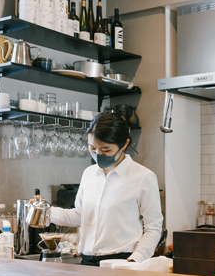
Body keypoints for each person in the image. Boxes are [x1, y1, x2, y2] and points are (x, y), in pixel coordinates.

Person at [43, 112, 163, 266]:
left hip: (121, 262)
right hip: (87, 263)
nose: (99, 154)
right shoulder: (89, 174)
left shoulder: (143, 177)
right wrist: (44, 212)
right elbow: (81, 216)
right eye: (92, 148)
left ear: (124, 144)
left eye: (106, 150)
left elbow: (153, 227)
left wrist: (136, 259)